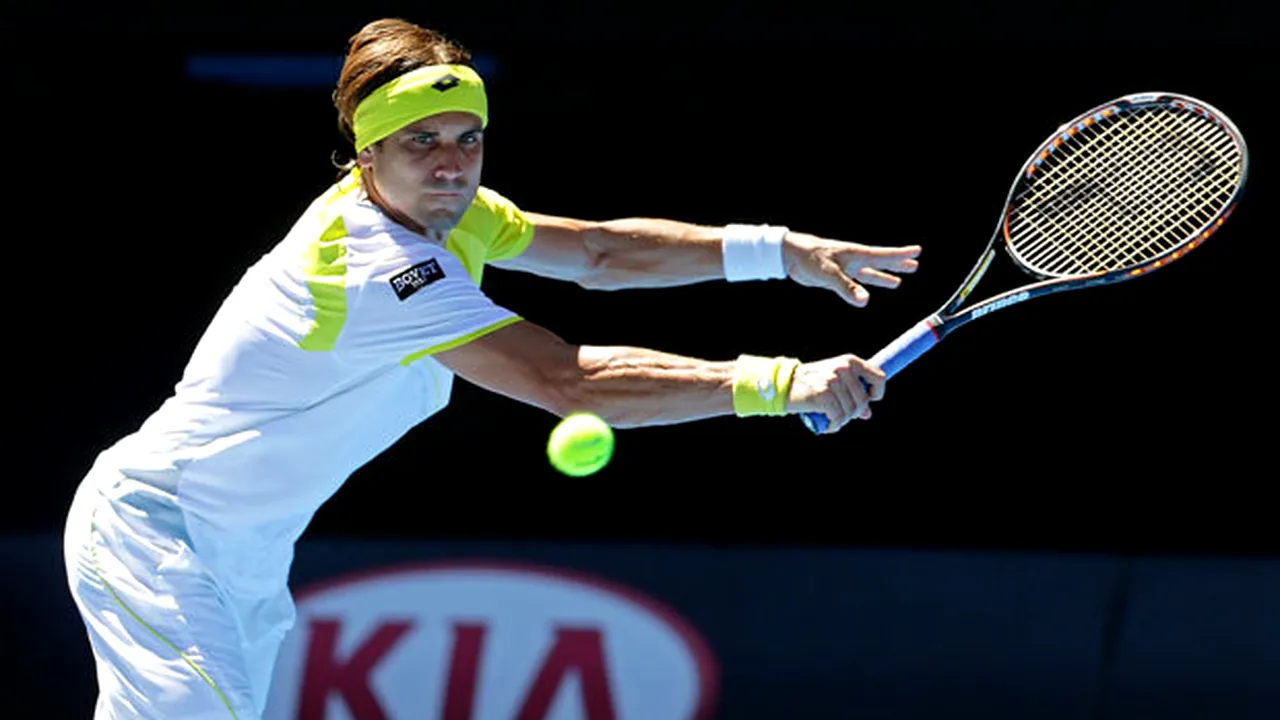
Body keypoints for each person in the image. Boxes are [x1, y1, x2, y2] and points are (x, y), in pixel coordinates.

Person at [63, 17, 921, 720]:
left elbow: (596, 252)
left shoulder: (458, 214)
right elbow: (567, 382)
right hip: (158, 532)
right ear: (367, 154)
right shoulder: (375, 267)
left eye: (468, 139)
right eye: (421, 142)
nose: (451, 162)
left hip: (239, 552)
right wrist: (779, 383)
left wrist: (780, 251)